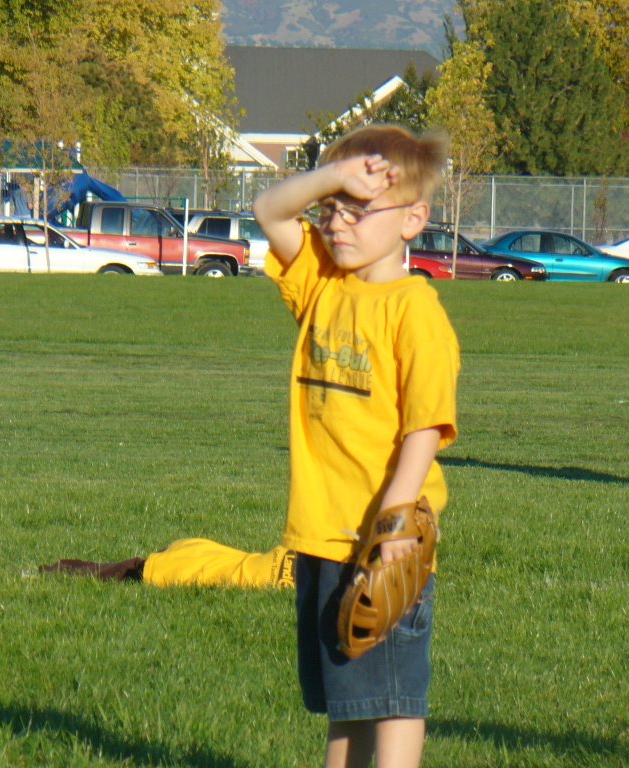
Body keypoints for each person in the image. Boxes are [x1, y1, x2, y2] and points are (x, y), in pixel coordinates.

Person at [252, 124, 460, 768]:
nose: (338, 222)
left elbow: (423, 428)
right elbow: (269, 209)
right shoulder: (322, 284)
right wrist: (335, 178)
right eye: (333, 208)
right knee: (348, 702)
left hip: (381, 540)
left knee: (393, 697)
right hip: (319, 533)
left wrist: (395, 522)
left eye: (359, 210)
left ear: (413, 220)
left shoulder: (415, 312)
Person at [40, 539, 296, 589]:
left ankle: (55, 570)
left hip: (199, 554)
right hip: (193, 562)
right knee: (120, 572)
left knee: (122, 569)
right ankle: (51, 572)